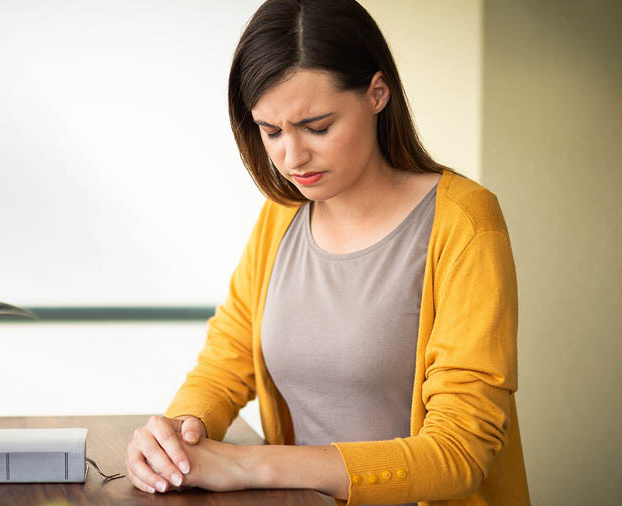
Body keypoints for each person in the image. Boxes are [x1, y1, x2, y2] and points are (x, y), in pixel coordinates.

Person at [124, 0, 531, 505]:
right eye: (270, 132)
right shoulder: (282, 216)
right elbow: (226, 363)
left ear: (377, 94)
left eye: (317, 127)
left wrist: (250, 464)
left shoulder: (465, 224)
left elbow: (458, 453)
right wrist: (180, 436)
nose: (292, 158)